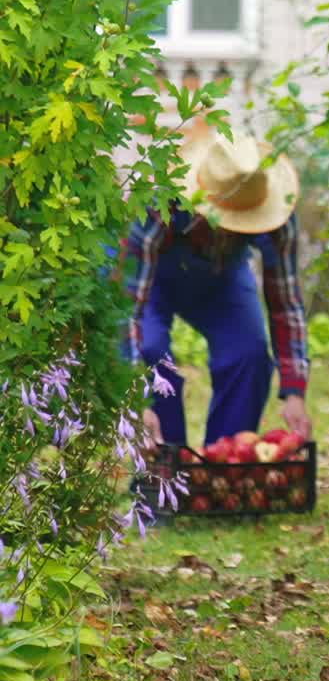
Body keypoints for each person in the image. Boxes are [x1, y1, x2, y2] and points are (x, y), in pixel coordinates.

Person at [123, 128, 312, 449]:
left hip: (224, 277)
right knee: (151, 351)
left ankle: (223, 474)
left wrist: (295, 391)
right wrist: (136, 402)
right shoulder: (156, 206)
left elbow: (287, 303)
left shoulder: (279, 215)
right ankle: (166, 472)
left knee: (248, 354)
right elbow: (128, 311)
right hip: (151, 280)